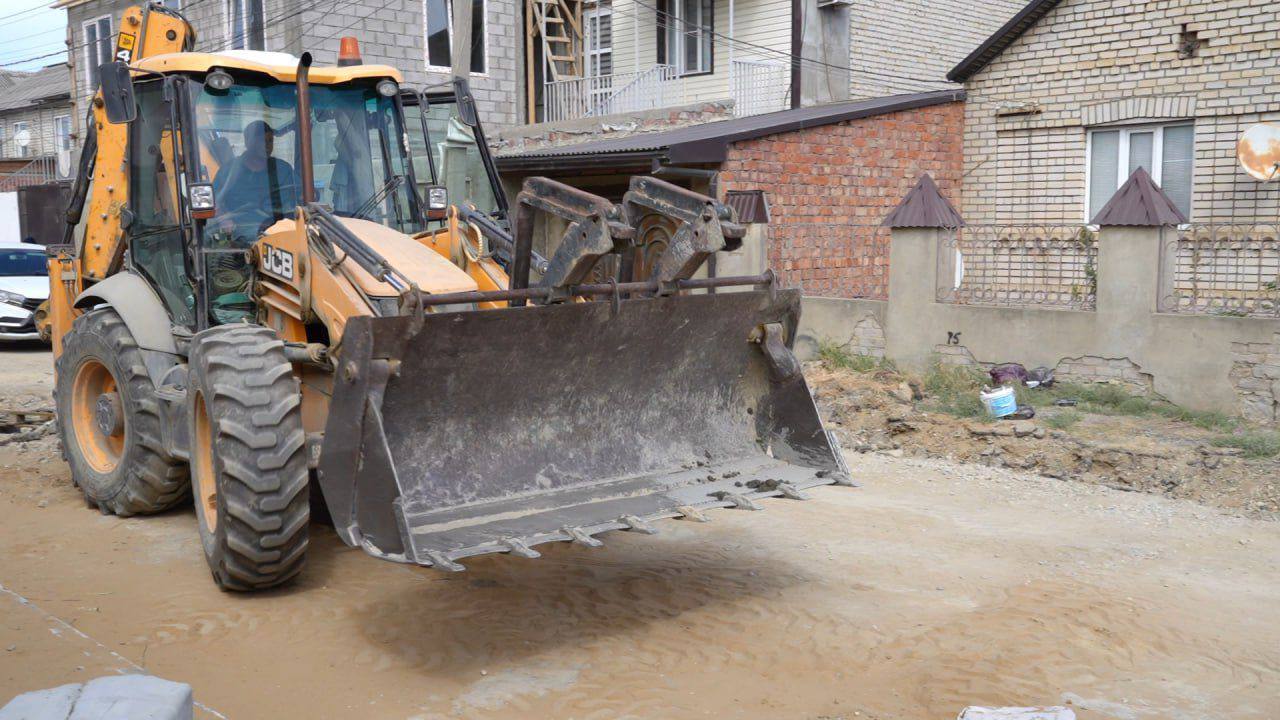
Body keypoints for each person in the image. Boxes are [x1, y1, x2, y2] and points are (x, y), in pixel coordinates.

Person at [210, 120, 299, 232]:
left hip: (278, 234)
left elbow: (300, 197)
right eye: (262, 140)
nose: (267, 145)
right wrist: (223, 219)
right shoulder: (228, 171)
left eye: (270, 140)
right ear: (248, 142)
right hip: (238, 236)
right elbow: (213, 202)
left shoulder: (283, 170)